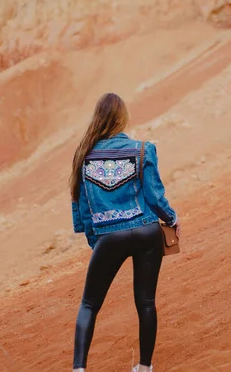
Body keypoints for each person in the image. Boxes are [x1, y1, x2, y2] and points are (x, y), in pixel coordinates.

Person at [70, 93, 179, 372]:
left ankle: (79, 369)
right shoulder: (142, 150)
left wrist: (97, 242)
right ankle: (144, 367)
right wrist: (171, 218)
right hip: (146, 231)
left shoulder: (84, 157)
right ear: (122, 118)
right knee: (146, 302)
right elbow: (154, 197)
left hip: (110, 236)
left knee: (89, 304)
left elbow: (84, 210)